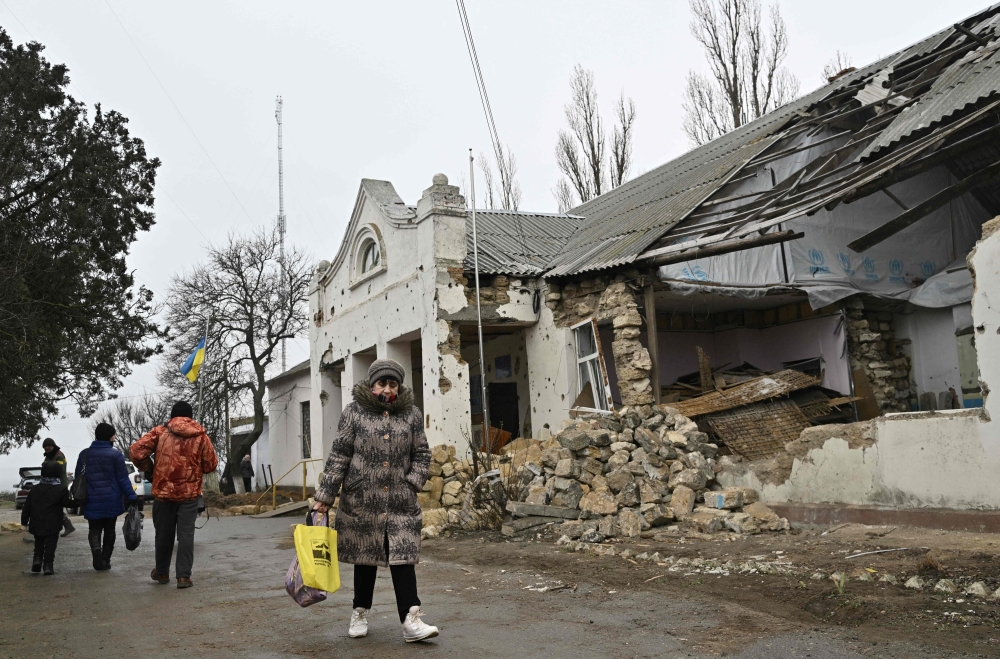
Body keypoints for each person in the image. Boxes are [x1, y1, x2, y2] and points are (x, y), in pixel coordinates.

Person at [312, 359, 438, 643]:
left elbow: (422, 454)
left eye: (392, 384)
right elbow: (339, 455)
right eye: (382, 383)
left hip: (399, 501)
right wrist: (325, 497)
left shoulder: (411, 415)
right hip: (361, 499)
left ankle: (411, 620)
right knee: (365, 558)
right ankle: (359, 611)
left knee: (403, 557)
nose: (387, 389)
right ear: (371, 385)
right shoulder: (354, 413)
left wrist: (412, 483)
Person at [130, 401, 218, 589]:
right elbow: (211, 465)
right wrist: (194, 470)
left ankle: (161, 572)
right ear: (190, 416)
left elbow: (136, 452)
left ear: (172, 416)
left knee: (163, 534)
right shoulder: (201, 436)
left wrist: (152, 470)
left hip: (163, 493)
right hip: (189, 495)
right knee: (186, 535)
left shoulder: (160, 432)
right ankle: (184, 577)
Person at [74, 423, 139, 571]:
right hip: (112, 498)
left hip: (91, 499)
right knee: (110, 529)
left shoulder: (84, 454)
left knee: (94, 528)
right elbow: (123, 479)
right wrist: (131, 496)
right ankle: (105, 560)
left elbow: (79, 477)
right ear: (111, 436)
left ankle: (96, 549)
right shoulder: (115, 455)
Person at [21, 461, 72, 575]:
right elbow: (67, 503)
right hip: (53, 523)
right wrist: (80, 502)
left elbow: (27, 506)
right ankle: (48, 565)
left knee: (39, 542)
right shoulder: (61, 489)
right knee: (51, 544)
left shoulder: (35, 489)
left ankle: (37, 560)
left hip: (37, 521)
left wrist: (24, 521)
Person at [41, 438, 75, 537]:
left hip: (59, 485)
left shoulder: (59, 455)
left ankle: (67, 525)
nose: (47, 448)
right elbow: (45, 467)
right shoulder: (48, 456)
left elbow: (56, 469)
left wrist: (46, 466)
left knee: (56, 507)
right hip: (50, 485)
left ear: (53, 446)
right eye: (45, 446)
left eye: (48, 446)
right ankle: (65, 526)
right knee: (52, 507)